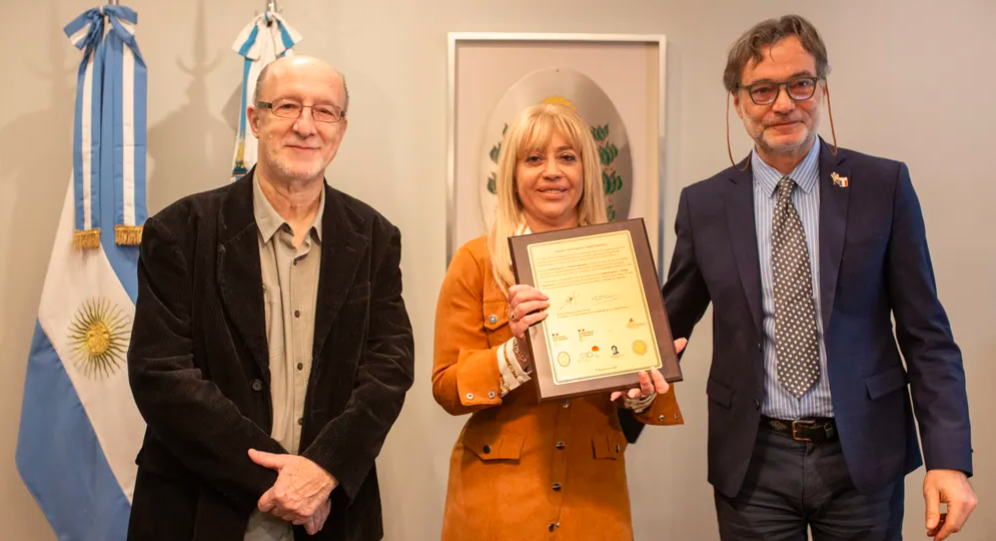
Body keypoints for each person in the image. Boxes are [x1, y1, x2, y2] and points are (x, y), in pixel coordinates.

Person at [661, 15, 976, 541]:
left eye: (800, 83)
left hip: (862, 458)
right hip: (754, 461)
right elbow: (667, 322)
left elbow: (927, 335)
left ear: (822, 89)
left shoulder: (882, 186)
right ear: (738, 103)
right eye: (763, 89)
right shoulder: (705, 204)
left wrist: (948, 458)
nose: (783, 104)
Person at [127, 56, 415, 541]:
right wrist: (282, 485)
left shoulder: (375, 237)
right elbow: (161, 374)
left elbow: (389, 368)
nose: (306, 125)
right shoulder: (179, 231)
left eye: (324, 111)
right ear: (255, 120)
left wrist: (325, 470)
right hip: (200, 514)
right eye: (287, 106)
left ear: (341, 129)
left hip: (331, 518)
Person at [432, 102, 686, 540]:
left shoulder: (621, 261)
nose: (552, 172)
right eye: (534, 159)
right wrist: (517, 353)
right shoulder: (476, 261)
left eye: (567, 157)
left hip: (595, 504)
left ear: (587, 171)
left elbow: (641, 397)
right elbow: (448, 389)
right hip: (498, 506)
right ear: (512, 174)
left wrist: (643, 389)